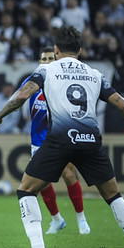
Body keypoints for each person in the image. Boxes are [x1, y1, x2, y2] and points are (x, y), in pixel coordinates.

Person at [0, 26, 124, 248]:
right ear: (80, 50)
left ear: (56, 50)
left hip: (60, 140)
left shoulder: (46, 70)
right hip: (90, 140)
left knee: (26, 190)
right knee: (114, 196)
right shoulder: (94, 74)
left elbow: (21, 96)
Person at [20, 47, 89, 235]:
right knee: (41, 181)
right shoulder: (31, 82)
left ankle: (81, 217)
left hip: (60, 136)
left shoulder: (64, 83)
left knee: (69, 174)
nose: (47, 62)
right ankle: (57, 219)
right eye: (44, 59)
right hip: (38, 139)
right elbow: (18, 99)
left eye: (51, 58)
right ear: (39, 62)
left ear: (57, 60)